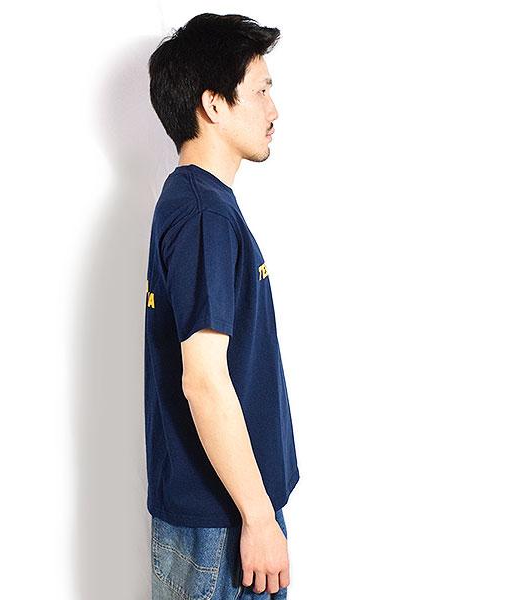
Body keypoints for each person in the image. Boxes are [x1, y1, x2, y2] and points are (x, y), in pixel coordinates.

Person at [144, 13, 300, 599]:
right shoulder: (203, 214)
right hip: (225, 525)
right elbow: (204, 380)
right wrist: (258, 518)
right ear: (213, 104)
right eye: (260, 90)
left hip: (223, 515)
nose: (273, 109)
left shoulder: (197, 203)